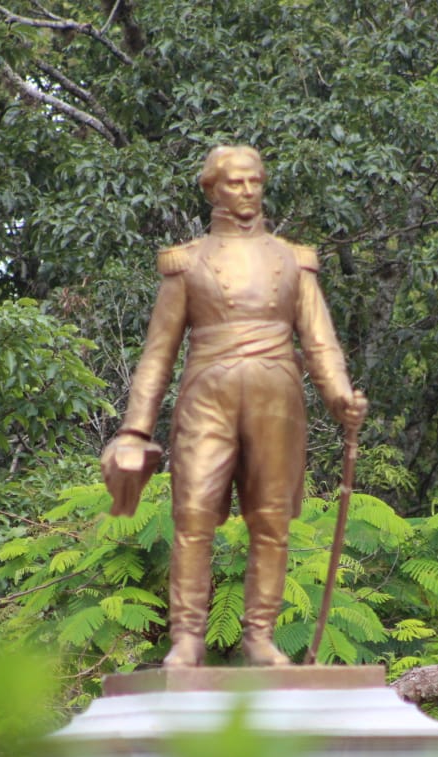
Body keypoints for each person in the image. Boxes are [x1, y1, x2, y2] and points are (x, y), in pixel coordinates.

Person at [103, 145, 367, 667]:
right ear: (211, 190)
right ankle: (187, 637)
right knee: (193, 513)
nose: (247, 191)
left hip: (276, 394)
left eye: (254, 181)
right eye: (234, 182)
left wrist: (339, 395)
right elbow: (158, 354)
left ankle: (260, 637)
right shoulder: (187, 263)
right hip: (208, 393)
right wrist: (135, 429)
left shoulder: (293, 261)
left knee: (271, 520)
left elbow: (320, 342)